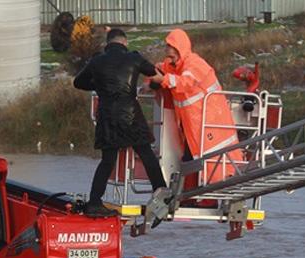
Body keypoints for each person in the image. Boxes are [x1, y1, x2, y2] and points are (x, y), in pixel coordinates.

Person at [74, 28, 169, 217]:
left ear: (107, 44)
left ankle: (94, 202)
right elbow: (156, 74)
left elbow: (78, 83)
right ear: (125, 42)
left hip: (107, 116)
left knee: (107, 160)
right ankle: (161, 193)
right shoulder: (134, 57)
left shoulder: (97, 61)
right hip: (131, 113)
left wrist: (99, 86)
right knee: (146, 153)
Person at [150, 29, 242, 181]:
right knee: (193, 158)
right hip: (193, 124)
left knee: (210, 160)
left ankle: (206, 198)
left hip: (210, 122)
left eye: (172, 49)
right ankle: (189, 197)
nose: (168, 53)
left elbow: (185, 82)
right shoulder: (174, 65)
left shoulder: (195, 64)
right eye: (168, 49)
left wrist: (162, 80)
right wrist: (150, 80)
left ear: (180, 48)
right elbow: (159, 70)